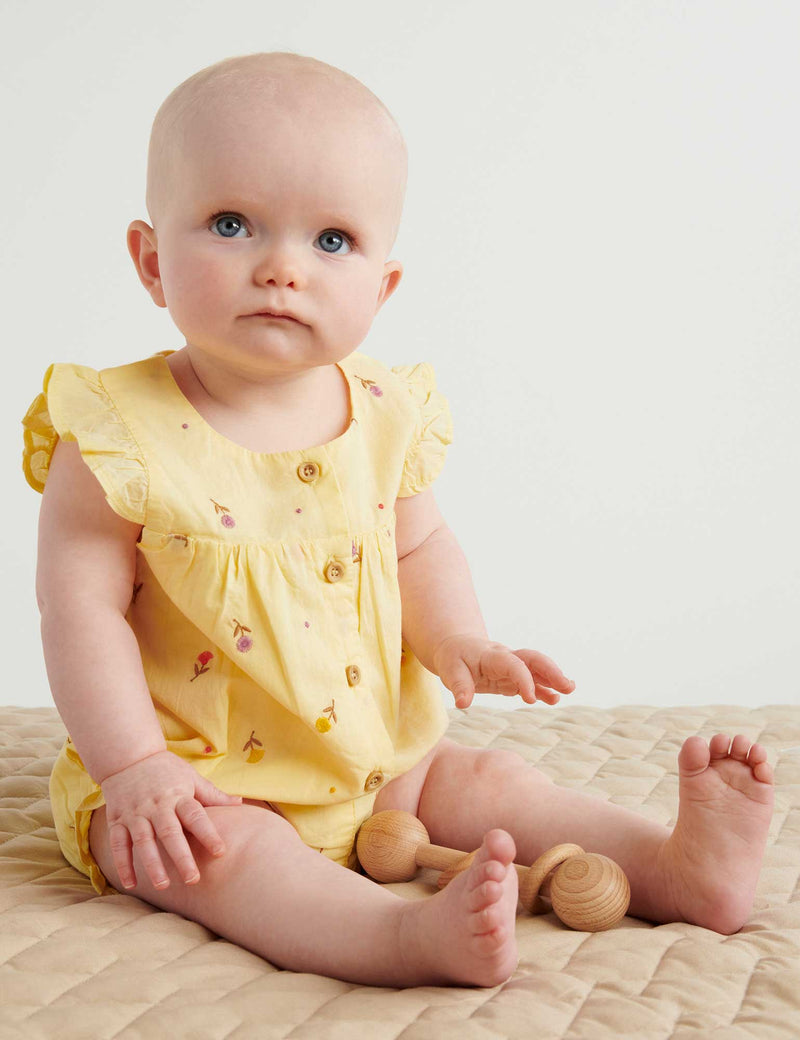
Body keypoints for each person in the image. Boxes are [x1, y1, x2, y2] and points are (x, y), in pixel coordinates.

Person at [23, 51, 774, 989]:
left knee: (494, 785)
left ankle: (673, 865)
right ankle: (395, 939)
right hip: (197, 778)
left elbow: (418, 544)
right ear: (149, 260)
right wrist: (132, 767)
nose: (282, 268)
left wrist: (459, 636)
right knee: (234, 859)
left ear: (382, 287)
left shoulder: (385, 413)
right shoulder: (120, 434)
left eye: (331, 241)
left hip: (374, 760)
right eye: (230, 224)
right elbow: (78, 612)